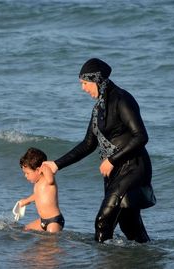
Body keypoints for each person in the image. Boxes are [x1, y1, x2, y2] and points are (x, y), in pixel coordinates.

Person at [43, 58, 156, 243]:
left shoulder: (122, 99)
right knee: (130, 226)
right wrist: (56, 164)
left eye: (85, 83)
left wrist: (111, 160)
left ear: (97, 80)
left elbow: (141, 136)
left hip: (133, 168)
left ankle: (100, 261)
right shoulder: (99, 108)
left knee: (103, 221)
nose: (83, 88)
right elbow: (88, 144)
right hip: (115, 172)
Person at [18, 147, 64, 233]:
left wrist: (46, 168)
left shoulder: (47, 178)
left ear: (38, 170)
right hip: (42, 221)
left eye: (27, 173)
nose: (25, 176)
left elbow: (51, 180)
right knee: (25, 229)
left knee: (50, 243)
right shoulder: (38, 184)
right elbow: (38, 195)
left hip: (54, 221)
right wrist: (26, 201)